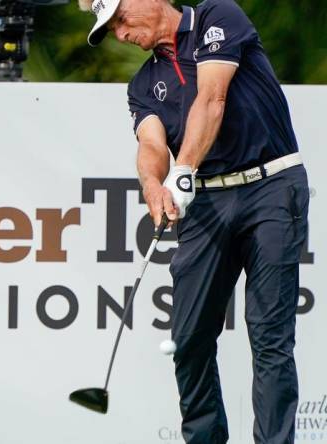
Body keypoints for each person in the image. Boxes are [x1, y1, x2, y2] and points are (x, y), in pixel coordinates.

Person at [80, 0, 310, 443]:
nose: (121, 35)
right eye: (111, 31)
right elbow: (151, 144)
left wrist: (182, 170)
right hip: (206, 202)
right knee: (188, 340)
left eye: (120, 21)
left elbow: (213, 97)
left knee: (270, 341)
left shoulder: (217, 17)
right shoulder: (143, 84)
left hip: (271, 187)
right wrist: (153, 184)